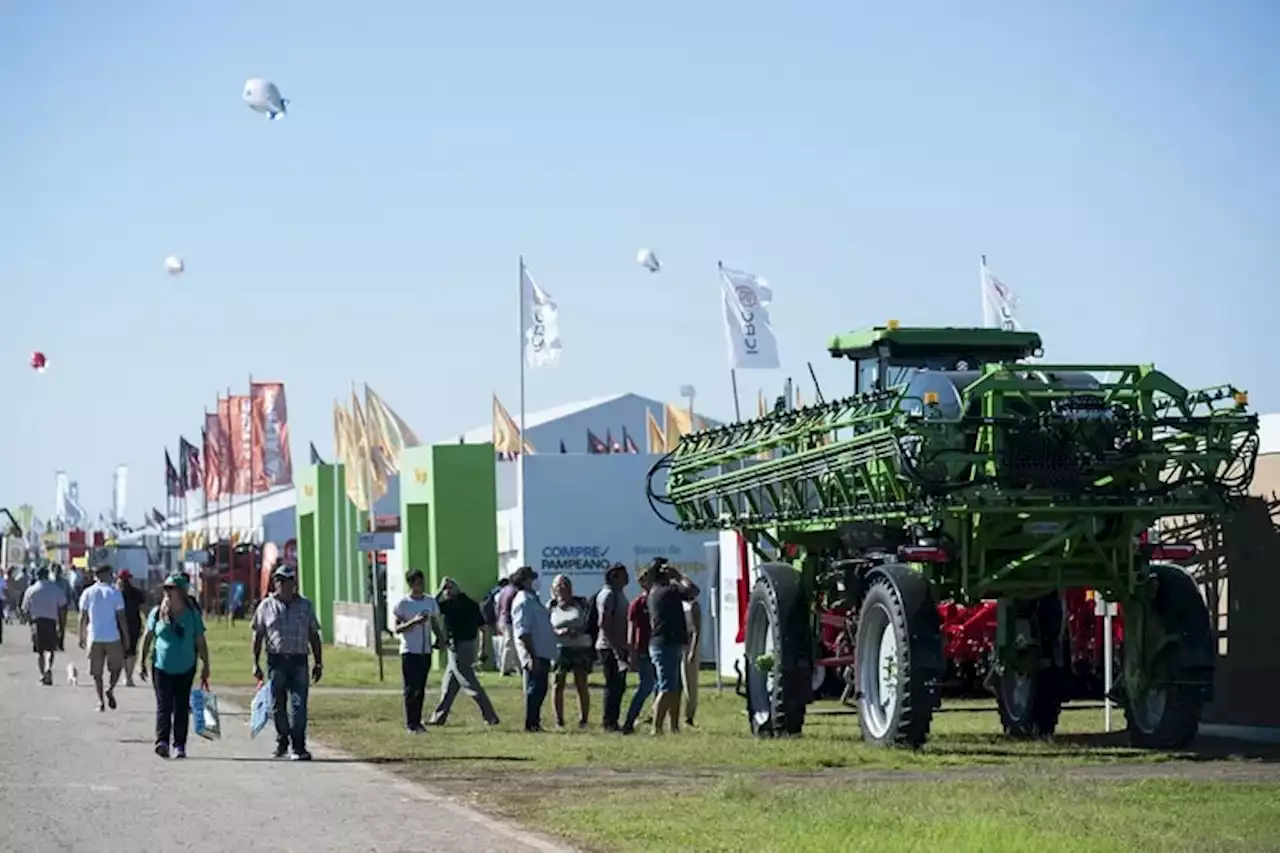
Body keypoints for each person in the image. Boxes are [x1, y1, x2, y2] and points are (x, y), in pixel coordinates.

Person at [251, 565, 323, 760]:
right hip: (276, 662)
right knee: (278, 706)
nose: (282, 584)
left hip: (299, 661)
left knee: (299, 706)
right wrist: (255, 663)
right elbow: (258, 636)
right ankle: (283, 740)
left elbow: (313, 635)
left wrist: (318, 662)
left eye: (287, 580)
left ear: (294, 583)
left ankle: (299, 746)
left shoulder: (305, 606)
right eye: (279, 580)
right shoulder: (266, 606)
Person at [138, 574, 210, 759]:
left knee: (181, 706)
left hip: (186, 667)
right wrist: (141, 662)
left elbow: (200, 640)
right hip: (161, 666)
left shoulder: (192, 614)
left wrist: (206, 664)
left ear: (182, 591)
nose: (167, 592)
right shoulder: (157, 613)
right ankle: (162, 741)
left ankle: (179, 744)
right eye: (166, 589)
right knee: (164, 705)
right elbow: (147, 637)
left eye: (172, 589)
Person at [429, 577, 500, 726]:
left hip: (457, 647)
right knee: (449, 684)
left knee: (469, 683)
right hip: (469, 645)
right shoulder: (472, 604)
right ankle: (438, 717)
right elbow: (483, 628)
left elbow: (431, 606)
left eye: (448, 589)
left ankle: (490, 716)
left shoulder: (450, 605)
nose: (446, 592)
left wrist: (439, 590)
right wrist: (482, 649)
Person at [645, 557, 701, 735]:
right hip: (665, 644)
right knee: (668, 687)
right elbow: (693, 591)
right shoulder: (667, 591)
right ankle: (657, 727)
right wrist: (679, 575)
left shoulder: (655, 591)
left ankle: (674, 726)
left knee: (674, 687)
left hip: (666, 643)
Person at [392, 569, 445, 733]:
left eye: (422, 582)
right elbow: (397, 628)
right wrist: (413, 622)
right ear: (411, 584)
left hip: (425, 650)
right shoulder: (403, 603)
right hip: (409, 650)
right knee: (410, 688)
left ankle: (418, 721)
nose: (421, 586)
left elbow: (435, 622)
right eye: (417, 583)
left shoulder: (429, 601)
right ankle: (410, 722)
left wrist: (439, 638)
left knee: (420, 688)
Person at [510, 566, 555, 732]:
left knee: (541, 687)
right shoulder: (523, 601)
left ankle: (535, 721)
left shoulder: (532, 598)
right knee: (534, 688)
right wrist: (532, 655)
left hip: (542, 650)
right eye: (532, 578)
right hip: (534, 652)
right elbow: (524, 631)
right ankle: (531, 723)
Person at [78, 564, 128, 712]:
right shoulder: (115, 592)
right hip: (112, 636)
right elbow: (121, 617)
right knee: (116, 668)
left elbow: (83, 616)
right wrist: (126, 636)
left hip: (94, 636)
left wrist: (81, 635)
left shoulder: (87, 593)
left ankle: (100, 701)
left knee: (96, 672)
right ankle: (110, 688)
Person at [548, 574, 593, 729]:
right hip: (560, 649)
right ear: (553, 589)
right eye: (559, 585)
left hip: (579, 647)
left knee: (581, 683)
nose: (563, 587)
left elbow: (589, 622)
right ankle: (559, 720)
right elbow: (546, 627)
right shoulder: (551, 606)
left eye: (565, 584)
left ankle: (584, 719)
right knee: (557, 683)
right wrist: (557, 632)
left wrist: (578, 630)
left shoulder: (581, 603)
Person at [621, 564, 657, 735]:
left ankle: (656, 718)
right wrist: (632, 654)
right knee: (646, 686)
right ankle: (629, 720)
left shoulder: (658, 601)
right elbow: (631, 631)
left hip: (658, 646)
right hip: (643, 649)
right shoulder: (637, 604)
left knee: (661, 686)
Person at [595, 563, 630, 732]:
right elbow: (604, 622)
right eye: (623, 574)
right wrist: (616, 648)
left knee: (620, 685)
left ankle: (614, 719)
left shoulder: (619, 594)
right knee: (613, 684)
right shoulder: (608, 595)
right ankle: (608, 722)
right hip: (609, 646)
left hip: (619, 644)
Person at [21, 568, 66, 685]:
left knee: (40, 651)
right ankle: (48, 668)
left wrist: (29, 621)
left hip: (37, 622)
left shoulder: (31, 590)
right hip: (51, 621)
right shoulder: (55, 588)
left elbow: (24, 609)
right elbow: (62, 604)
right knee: (51, 649)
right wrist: (61, 623)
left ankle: (42, 674)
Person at [116, 570, 147, 687]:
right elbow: (143, 609)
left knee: (124, 650)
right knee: (131, 650)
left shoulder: (115, 593)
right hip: (134, 624)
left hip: (120, 624)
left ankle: (127, 675)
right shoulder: (136, 593)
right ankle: (128, 676)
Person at [682, 595, 702, 726]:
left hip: (689, 642)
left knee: (690, 681)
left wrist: (693, 650)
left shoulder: (692, 604)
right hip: (677, 640)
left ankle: (689, 715)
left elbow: (696, 630)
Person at [495, 573, 520, 676]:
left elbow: (498, 607)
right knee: (510, 645)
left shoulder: (503, 590)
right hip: (510, 620)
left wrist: (498, 620)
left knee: (511, 644)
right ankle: (505, 669)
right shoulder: (515, 592)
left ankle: (518, 667)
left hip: (502, 619)